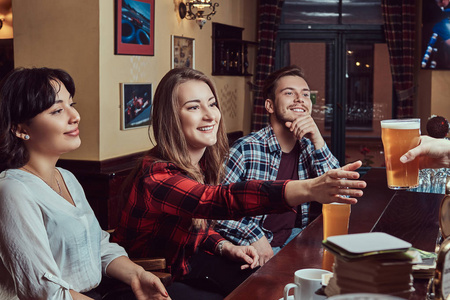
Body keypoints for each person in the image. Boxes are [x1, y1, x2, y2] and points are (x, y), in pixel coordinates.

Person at [110, 67, 366, 299]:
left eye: (212, 104)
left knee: (277, 286)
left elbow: (195, 226)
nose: (210, 115)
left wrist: (224, 247)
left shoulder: (203, 164)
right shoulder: (157, 174)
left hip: (185, 264)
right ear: (171, 117)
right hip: (144, 281)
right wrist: (308, 188)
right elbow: (217, 201)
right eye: (193, 107)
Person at [0, 67, 169, 300]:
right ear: (20, 129)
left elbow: (98, 247)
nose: (75, 116)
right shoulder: (13, 190)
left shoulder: (66, 177)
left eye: (72, 104)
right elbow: (45, 293)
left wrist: (137, 275)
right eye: (58, 110)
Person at [213, 65, 339, 266]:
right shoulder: (246, 149)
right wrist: (255, 236)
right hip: (254, 251)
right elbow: (214, 208)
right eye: (289, 93)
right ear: (270, 106)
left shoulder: (309, 147)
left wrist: (318, 139)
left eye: (305, 95)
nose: (299, 99)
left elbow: (340, 191)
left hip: (297, 240)